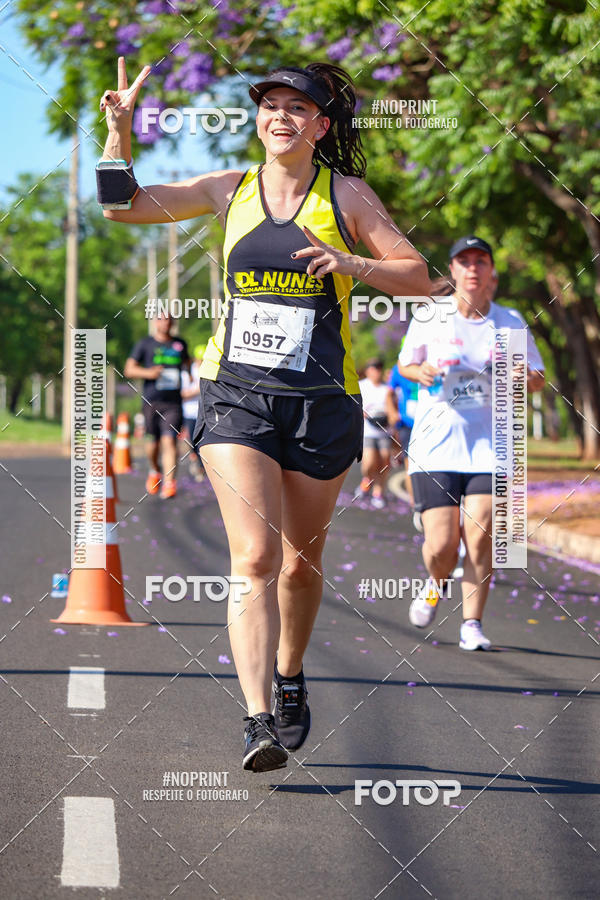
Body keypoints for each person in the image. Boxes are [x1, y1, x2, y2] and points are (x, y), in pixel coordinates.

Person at [98, 58, 431, 770]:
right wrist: (119, 133)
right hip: (234, 395)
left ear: (320, 126)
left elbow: (418, 275)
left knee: (301, 566)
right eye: (269, 105)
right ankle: (256, 721)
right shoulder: (231, 189)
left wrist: (351, 262)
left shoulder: (346, 195)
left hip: (319, 403)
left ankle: (288, 674)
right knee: (253, 557)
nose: (278, 116)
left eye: (295, 107)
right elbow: (122, 205)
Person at [398, 235, 544, 650]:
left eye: (482, 260)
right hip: (435, 445)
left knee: (480, 536)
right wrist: (421, 371)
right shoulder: (431, 317)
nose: (474, 267)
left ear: (491, 272)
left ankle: (472, 624)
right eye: (465, 260)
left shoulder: (510, 322)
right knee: (442, 545)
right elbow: (405, 364)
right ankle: (434, 584)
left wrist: (523, 377)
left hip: (489, 446)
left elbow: (537, 376)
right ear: (455, 270)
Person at [124, 311, 190, 499]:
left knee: (169, 440)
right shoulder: (145, 344)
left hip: (174, 402)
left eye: (169, 319)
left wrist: (192, 373)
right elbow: (129, 369)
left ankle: (170, 483)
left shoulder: (180, 344)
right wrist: (149, 373)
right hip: (151, 401)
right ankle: (155, 470)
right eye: (162, 319)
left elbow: (187, 363)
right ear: (155, 322)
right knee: (153, 441)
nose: (166, 322)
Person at [355, 358, 394, 508]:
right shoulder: (362, 386)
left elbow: (393, 408)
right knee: (369, 462)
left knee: (384, 461)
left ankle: (378, 492)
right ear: (368, 370)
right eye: (373, 368)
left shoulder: (387, 389)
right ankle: (367, 479)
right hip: (368, 431)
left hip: (385, 430)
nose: (376, 371)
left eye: (379, 368)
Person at [386, 335, 419, 499]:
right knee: (410, 464)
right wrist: (392, 412)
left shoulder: (432, 364)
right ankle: (415, 504)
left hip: (432, 422)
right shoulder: (398, 369)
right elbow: (389, 393)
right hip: (407, 423)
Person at [180, 343, 206, 481]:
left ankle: (202, 467)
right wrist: (196, 391)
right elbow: (182, 393)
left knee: (203, 441)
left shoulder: (207, 371)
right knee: (193, 442)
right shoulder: (187, 372)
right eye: (200, 360)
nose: (202, 362)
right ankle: (196, 461)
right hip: (190, 412)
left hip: (204, 412)